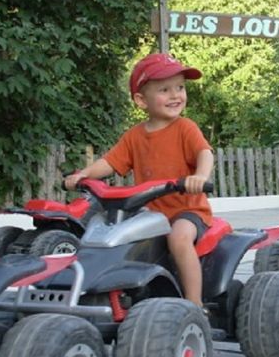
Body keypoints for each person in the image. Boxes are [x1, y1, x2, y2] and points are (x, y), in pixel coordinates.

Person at [65, 53, 213, 309]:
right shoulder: (134, 136)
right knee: (111, 234)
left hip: (187, 211)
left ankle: (194, 303)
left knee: (178, 239)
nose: (176, 95)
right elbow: (110, 162)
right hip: (149, 213)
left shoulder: (185, 128)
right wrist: (85, 174)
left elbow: (204, 153)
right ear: (141, 100)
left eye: (180, 87)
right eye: (165, 90)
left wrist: (199, 176)